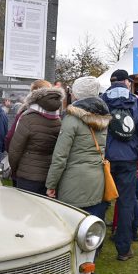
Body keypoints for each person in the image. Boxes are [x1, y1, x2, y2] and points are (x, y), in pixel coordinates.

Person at [101, 69, 138, 261]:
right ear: (125, 82)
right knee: (125, 203)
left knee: (100, 201)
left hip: (104, 159)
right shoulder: (137, 102)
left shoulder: (101, 101)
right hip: (129, 160)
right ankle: (124, 249)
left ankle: (93, 246)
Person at [45, 76, 111, 226]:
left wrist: (51, 184)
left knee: (71, 226)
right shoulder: (104, 117)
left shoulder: (72, 118)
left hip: (73, 182)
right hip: (97, 179)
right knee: (91, 228)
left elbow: (60, 156)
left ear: (77, 94)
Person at [8, 85, 64, 195]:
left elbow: (15, 150)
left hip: (27, 175)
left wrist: (14, 170)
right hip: (48, 175)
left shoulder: (28, 118)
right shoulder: (58, 121)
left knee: (24, 208)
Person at [5, 80, 52, 151]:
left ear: (33, 93)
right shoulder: (56, 115)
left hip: (27, 157)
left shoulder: (24, 113)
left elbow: (11, 137)